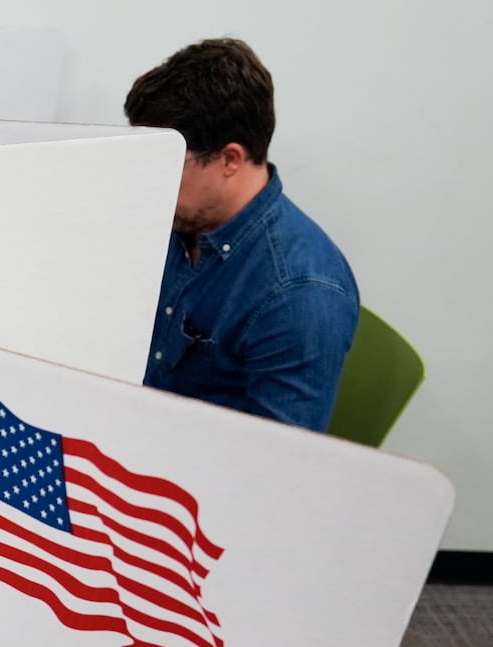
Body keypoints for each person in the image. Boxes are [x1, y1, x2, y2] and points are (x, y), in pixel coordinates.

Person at [124, 38, 358, 432]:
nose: (151, 183)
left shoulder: (298, 296)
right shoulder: (183, 219)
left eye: (167, 164)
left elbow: (278, 466)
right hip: (137, 430)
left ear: (230, 159)